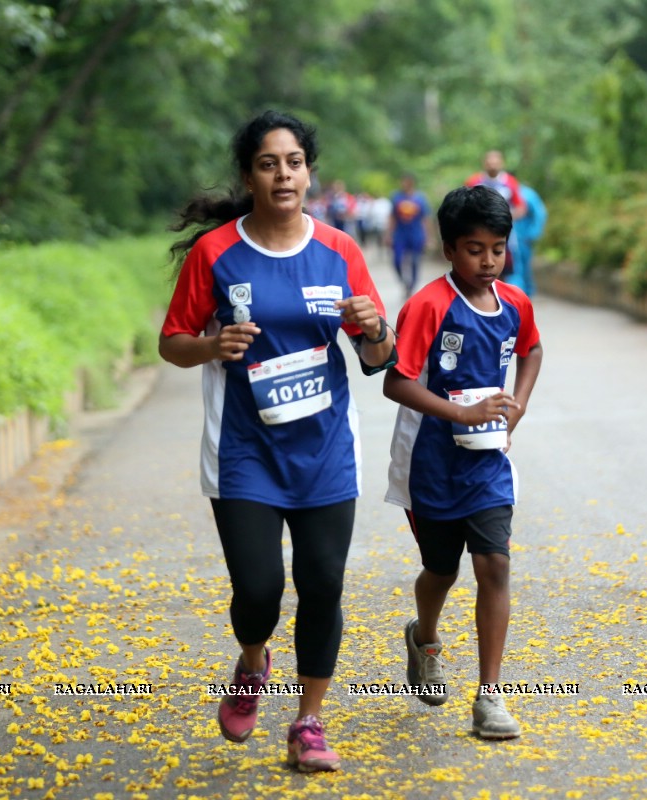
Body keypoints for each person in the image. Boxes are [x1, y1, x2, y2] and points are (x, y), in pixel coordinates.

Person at [159, 110, 397, 773]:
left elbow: (380, 356)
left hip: (324, 451)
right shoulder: (216, 254)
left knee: (322, 584)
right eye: (269, 163)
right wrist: (212, 344)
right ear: (249, 175)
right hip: (244, 452)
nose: (283, 174)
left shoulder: (340, 251)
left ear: (308, 172)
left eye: (294, 162)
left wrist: (374, 326)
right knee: (259, 590)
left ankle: (309, 722)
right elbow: (172, 343)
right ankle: (253, 660)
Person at [382, 185, 543, 739]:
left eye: (497, 248)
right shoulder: (428, 306)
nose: (488, 261)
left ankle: (490, 697)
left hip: (487, 463)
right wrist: (463, 414)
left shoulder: (515, 302)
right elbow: (396, 383)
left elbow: (532, 349)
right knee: (442, 569)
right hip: (430, 463)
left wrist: (511, 410)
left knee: (494, 565)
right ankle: (424, 637)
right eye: (475, 249)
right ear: (449, 248)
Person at [465, 150, 527, 280]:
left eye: (496, 162)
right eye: (489, 162)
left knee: (502, 269)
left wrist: (504, 218)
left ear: (501, 163)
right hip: (479, 233)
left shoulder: (510, 182)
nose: (492, 165)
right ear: (484, 163)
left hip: (503, 234)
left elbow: (521, 207)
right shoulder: (474, 182)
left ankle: (498, 296)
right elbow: (463, 205)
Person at [384, 173, 431, 298]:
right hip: (400, 234)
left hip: (416, 234)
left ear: (411, 182)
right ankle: (404, 282)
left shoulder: (420, 198)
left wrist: (428, 237)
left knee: (415, 261)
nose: (404, 184)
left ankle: (411, 286)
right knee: (397, 260)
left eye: (406, 181)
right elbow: (392, 217)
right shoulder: (396, 197)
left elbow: (425, 219)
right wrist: (388, 234)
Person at [509, 183, 547, 296]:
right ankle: (517, 295)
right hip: (507, 240)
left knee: (523, 268)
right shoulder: (501, 191)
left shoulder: (526, 194)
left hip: (522, 240)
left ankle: (524, 295)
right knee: (513, 269)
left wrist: (532, 234)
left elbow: (540, 214)